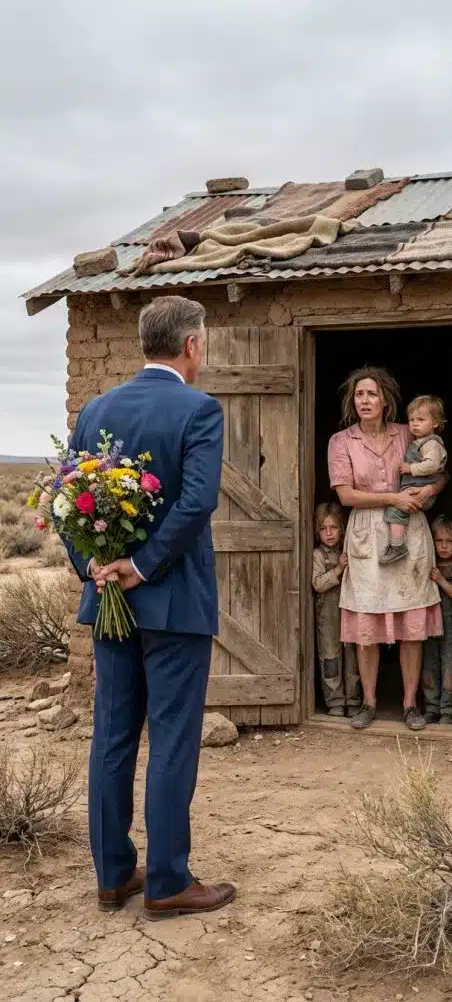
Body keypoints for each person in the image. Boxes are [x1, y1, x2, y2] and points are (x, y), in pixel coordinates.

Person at [65, 295, 236, 919]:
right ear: (191, 345)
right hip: (174, 603)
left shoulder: (96, 410)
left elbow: (66, 498)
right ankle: (166, 881)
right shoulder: (198, 409)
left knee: (112, 736)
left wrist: (94, 566)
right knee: (171, 739)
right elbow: (196, 504)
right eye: (205, 343)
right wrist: (139, 567)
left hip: (107, 598)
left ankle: (113, 877)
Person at [327, 366, 447, 732]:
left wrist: (429, 491)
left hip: (409, 532)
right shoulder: (341, 441)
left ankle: (411, 704)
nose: (365, 400)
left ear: (385, 401)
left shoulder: (405, 433)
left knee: (411, 624)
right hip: (366, 532)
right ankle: (369, 702)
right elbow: (346, 495)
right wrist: (392, 496)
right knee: (367, 623)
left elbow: (439, 470)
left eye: (372, 394)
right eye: (359, 395)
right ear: (353, 401)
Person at [381, 395, 447, 565]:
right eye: (411, 420)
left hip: (421, 489)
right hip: (416, 487)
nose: (415, 423)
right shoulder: (419, 442)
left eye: (421, 419)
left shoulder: (431, 444)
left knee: (395, 510)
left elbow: (432, 466)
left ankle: (397, 546)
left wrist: (411, 468)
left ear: (435, 423)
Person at [312, 502, 361, 718]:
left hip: (351, 609)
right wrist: (339, 569)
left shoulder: (349, 551)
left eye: (333, 527)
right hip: (327, 613)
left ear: (342, 528)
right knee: (330, 656)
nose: (329, 533)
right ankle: (335, 701)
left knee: (352, 653)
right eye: (323, 529)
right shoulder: (318, 556)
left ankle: (353, 699)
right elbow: (317, 584)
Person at [422, 516, 452, 725]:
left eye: (450, 541)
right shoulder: (430, 564)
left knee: (450, 664)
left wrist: (441, 581)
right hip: (429, 622)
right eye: (439, 541)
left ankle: (449, 709)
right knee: (429, 663)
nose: (444, 546)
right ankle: (431, 706)